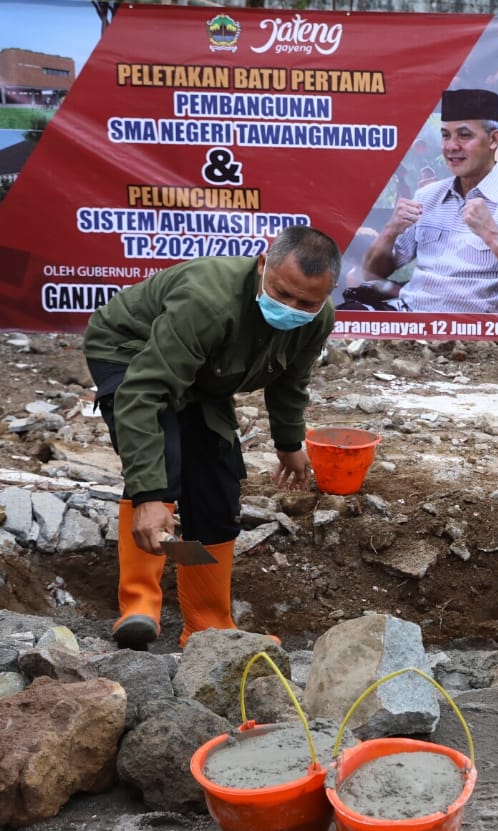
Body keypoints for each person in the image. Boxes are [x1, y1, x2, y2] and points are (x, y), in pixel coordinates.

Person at [83, 225, 340, 650]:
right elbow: (146, 391)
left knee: (217, 485)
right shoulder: (207, 300)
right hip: (131, 351)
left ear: (328, 293)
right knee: (162, 461)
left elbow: (291, 379)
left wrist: (289, 443)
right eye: (281, 293)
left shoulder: (318, 319)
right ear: (263, 265)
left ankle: (207, 625)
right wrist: (150, 496)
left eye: (307, 303)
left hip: (205, 371)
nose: (291, 308)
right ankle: (139, 605)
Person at [361, 88, 498, 313]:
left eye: (464, 135)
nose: (451, 146)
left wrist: (492, 234)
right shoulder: (427, 196)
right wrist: (391, 230)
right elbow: (372, 273)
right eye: (446, 135)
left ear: (493, 140)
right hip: (410, 321)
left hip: (477, 329)